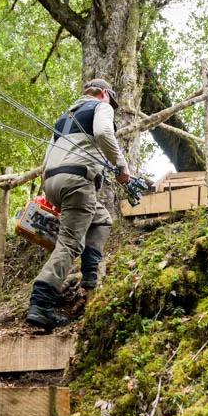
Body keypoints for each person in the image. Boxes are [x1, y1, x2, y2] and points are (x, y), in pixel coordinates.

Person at [26, 78, 130, 330]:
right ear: (104, 94)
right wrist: (121, 167)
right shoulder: (101, 107)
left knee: (102, 219)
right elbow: (104, 133)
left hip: (52, 182)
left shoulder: (64, 118)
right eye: (111, 101)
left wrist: (50, 193)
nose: (111, 106)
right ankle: (41, 304)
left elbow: (48, 157)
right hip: (77, 181)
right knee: (70, 243)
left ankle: (90, 270)